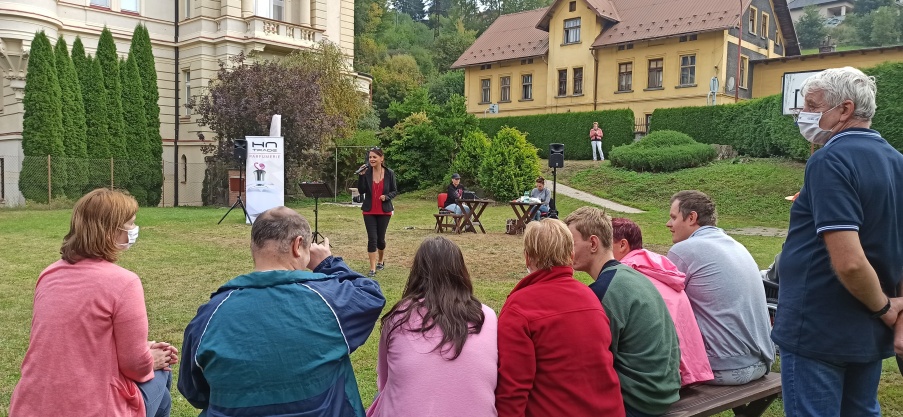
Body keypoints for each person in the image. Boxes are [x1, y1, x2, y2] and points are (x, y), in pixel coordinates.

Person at [771, 67, 903, 416]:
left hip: (819, 326)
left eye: (812, 106)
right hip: (865, 332)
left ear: (844, 109)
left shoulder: (830, 159)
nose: (803, 115)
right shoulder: (897, 162)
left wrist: (886, 309)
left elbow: (850, 261)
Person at [178, 207, 386, 417]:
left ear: (254, 246)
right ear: (297, 246)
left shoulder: (209, 316)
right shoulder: (330, 302)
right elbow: (370, 294)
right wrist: (327, 263)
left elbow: (194, 392)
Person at [10, 188, 177, 417]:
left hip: (31, 405)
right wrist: (151, 359)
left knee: (161, 397)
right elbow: (135, 366)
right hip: (92, 408)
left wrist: (143, 349)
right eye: (130, 224)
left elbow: (73, 341)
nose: (134, 230)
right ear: (110, 231)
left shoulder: (48, 275)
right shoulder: (124, 282)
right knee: (162, 371)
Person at [496, 219, 624, 417]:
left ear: (528, 258)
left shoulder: (519, 307)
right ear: (571, 255)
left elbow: (512, 389)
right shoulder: (591, 296)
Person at [564, 208, 680, 416]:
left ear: (593, 243)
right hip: (664, 391)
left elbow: (589, 362)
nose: (566, 251)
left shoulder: (604, 292)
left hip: (639, 401)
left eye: (571, 243)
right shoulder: (631, 276)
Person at [367, 236, 497, 417]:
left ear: (417, 272)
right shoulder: (487, 316)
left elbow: (384, 379)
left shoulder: (398, 318)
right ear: (461, 271)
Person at [665, 190, 775, 386]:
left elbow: (663, 306)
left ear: (691, 218)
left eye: (673, 217)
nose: (668, 224)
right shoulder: (736, 245)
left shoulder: (684, 250)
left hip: (724, 368)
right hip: (762, 361)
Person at [611, 217, 714, 387]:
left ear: (623, 245)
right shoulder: (655, 266)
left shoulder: (627, 276)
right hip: (692, 369)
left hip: (668, 377)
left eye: (605, 245)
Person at [357, 147, 399, 277]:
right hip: (369, 210)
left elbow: (394, 191)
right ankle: (372, 268)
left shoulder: (389, 173)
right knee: (372, 239)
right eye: (370, 157)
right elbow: (362, 190)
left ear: (381, 158)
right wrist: (361, 176)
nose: (372, 159)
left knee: (381, 239)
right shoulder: (366, 172)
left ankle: (381, 260)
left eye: (374, 157)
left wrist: (386, 197)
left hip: (384, 211)